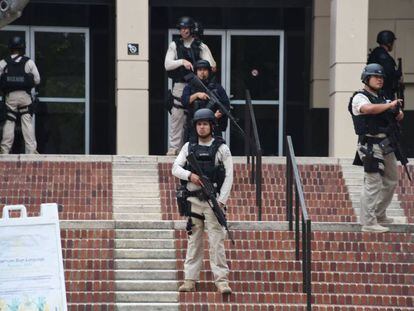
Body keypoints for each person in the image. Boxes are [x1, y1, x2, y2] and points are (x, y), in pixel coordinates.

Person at [172, 108, 233, 294]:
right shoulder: (188, 147)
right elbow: (175, 168)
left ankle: (221, 281)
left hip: (213, 201)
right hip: (193, 201)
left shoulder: (222, 148)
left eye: (205, 124)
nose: (202, 127)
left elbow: (229, 175)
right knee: (194, 241)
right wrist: (191, 176)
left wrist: (221, 201)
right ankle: (190, 279)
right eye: (199, 124)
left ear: (211, 126)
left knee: (216, 241)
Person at [349, 63, 404, 233]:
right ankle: (368, 222)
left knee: (391, 180)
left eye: (381, 77)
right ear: (367, 78)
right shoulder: (360, 97)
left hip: (386, 143)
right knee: (373, 183)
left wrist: (396, 111)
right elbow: (368, 109)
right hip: (370, 144)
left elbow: (398, 116)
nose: (380, 80)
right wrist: (389, 106)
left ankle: (380, 214)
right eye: (376, 77)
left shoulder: (383, 97)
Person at [164, 16, 216, 156]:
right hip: (180, 85)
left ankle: (197, 146)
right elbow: (167, 64)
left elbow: (212, 65)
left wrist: (200, 68)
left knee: (199, 115)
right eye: (181, 28)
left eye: (186, 28)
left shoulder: (200, 46)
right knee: (177, 115)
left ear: (192, 29)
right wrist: (182, 61)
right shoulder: (175, 45)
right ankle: (174, 147)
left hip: (197, 84)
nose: (183, 31)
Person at [0, 36, 40, 154]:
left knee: (10, 121)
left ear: (10, 48)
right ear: (22, 47)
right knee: (26, 121)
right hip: (24, 97)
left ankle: (4, 150)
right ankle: (31, 150)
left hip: (10, 97)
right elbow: (37, 80)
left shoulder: (4, 62)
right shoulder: (28, 62)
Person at [181, 60, 230, 142]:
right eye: (200, 70)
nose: (202, 72)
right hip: (194, 125)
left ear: (208, 71)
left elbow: (226, 104)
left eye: (205, 70)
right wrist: (197, 95)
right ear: (196, 72)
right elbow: (184, 101)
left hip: (212, 125)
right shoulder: (190, 86)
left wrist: (217, 114)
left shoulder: (217, 87)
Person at [367, 30, 402, 100]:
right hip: (384, 92)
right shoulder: (384, 56)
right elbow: (388, 73)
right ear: (389, 43)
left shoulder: (375, 53)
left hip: (377, 90)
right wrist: (397, 74)